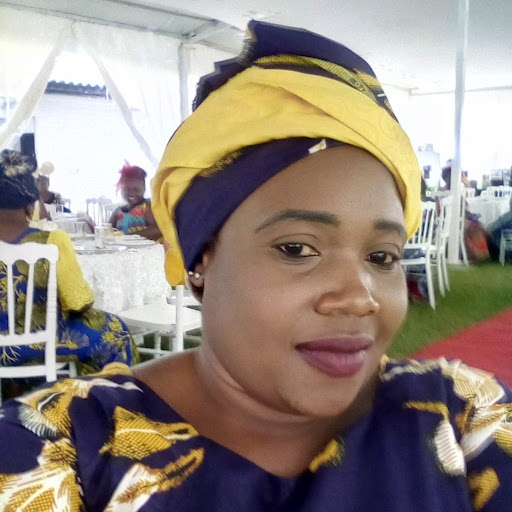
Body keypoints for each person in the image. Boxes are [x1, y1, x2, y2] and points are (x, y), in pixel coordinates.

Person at [0, 21, 511, 511]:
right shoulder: (63, 447)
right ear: (200, 260)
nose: (361, 298)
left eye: (383, 257)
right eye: (297, 249)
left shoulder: (462, 415)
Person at [0, 149, 138, 375]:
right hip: (37, 343)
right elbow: (78, 303)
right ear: (30, 205)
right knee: (115, 331)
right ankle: (106, 395)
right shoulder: (53, 240)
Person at [109, 162, 162, 239]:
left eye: (136, 189)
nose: (131, 193)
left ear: (144, 189)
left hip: (144, 247)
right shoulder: (118, 212)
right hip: (122, 247)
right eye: (126, 189)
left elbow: (157, 230)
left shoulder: (147, 207)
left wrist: (129, 237)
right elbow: (107, 231)